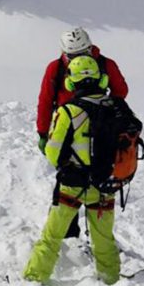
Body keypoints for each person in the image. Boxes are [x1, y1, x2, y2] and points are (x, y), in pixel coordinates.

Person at [23, 56, 121, 285]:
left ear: (70, 83)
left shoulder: (68, 112)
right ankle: (111, 281)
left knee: (52, 236)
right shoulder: (117, 109)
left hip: (72, 185)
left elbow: (53, 153)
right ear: (101, 78)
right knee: (104, 239)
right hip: (105, 184)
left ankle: (34, 277)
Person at [36, 27, 128, 239]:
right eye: (73, 56)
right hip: (69, 131)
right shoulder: (56, 68)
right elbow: (45, 100)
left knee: (95, 178)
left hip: (99, 130)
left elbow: (120, 91)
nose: (78, 59)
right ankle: (71, 234)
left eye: (82, 54)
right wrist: (42, 132)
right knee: (70, 180)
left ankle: (97, 237)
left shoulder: (106, 64)